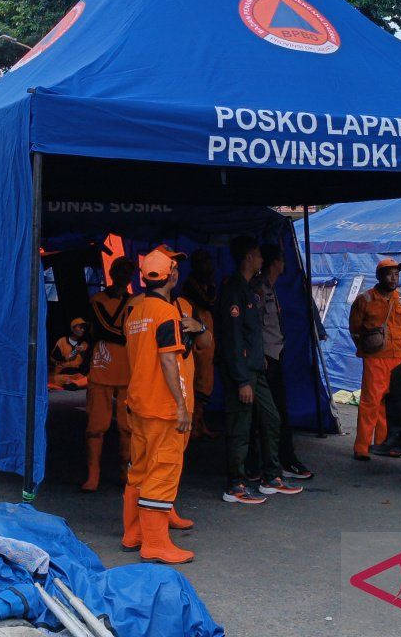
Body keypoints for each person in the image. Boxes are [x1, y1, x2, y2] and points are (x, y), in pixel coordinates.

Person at [121, 246, 205, 564]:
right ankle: (155, 544)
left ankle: (133, 533)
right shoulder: (166, 313)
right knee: (163, 470)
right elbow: (169, 360)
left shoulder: (136, 311)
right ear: (170, 275)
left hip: (139, 402)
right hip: (162, 407)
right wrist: (182, 407)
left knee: (139, 470)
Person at [217, 235, 302, 504]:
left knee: (271, 418)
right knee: (240, 427)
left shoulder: (250, 290)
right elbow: (232, 338)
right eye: (258, 255)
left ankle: (271, 476)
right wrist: (242, 379)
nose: (262, 260)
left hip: (257, 368)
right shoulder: (234, 291)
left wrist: (259, 359)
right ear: (248, 258)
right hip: (242, 373)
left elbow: (253, 333)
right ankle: (236, 484)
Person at [249, 243, 313, 479]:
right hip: (265, 359)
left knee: (272, 413)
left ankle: (271, 461)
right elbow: (252, 327)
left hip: (275, 355)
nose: (284, 265)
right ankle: (274, 463)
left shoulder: (270, 289)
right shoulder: (257, 289)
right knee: (271, 414)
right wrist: (259, 357)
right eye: (282, 260)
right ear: (275, 263)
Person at [83, 257, 137, 492]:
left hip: (128, 370)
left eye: (128, 270)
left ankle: (127, 474)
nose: (124, 273)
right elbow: (108, 329)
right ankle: (93, 475)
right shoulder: (99, 299)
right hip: (102, 369)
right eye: (121, 269)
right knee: (96, 426)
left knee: (128, 427)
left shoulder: (134, 301)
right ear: (112, 272)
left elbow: (121, 331)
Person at [349, 258, 401, 460]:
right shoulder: (365, 300)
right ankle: (362, 447)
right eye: (389, 273)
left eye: (397, 274)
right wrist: (367, 349)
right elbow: (355, 329)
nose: (394, 278)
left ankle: (385, 444)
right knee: (370, 402)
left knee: (391, 403)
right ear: (379, 276)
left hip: (397, 358)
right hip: (375, 359)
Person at [181, 249, 219, 440]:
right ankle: (194, 423)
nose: (208, 265)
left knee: (206, 378)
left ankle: (199, 422)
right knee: (200, 380)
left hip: (207, 329)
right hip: (197, 332)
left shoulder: (207, 283)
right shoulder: (191, 284)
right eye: (204, 261)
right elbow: (209, 302)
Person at [49, 317, 90, 391]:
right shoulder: (62, 341)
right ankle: (72, 384)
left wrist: (82, 353)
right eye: (80, 327)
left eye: (84, 328)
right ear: (72, 328)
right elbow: (54, 358)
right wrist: (74, 353)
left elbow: (85, 364)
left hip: (77, 375)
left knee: (89, 378)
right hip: (62, 374)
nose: (83, 330)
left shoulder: (84, 344)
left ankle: (72, 384)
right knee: (54, 378)